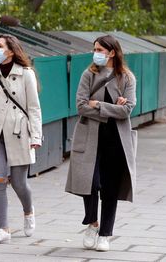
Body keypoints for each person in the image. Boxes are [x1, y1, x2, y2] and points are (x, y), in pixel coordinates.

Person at [65, 35, 137, 252]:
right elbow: (80, 106)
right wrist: (110, 108)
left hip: (116, 139)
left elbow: (127, 110)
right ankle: (92, 223)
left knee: (110, 188)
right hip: (90, 136)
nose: (95, 52)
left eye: (99, 49)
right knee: (91, 182)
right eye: (94, 49)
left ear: (112, 52)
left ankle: (105, 234)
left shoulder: (126, 78)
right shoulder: (89, 74)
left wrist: (97, 105)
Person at [0, 34, 42, 245]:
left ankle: (28, 210)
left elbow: (34, 108)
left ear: (11, 51)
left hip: (19, 132)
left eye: (0, 46)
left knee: (19, 183)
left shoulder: (26, 74)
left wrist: (36, 136)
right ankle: (3, 229)